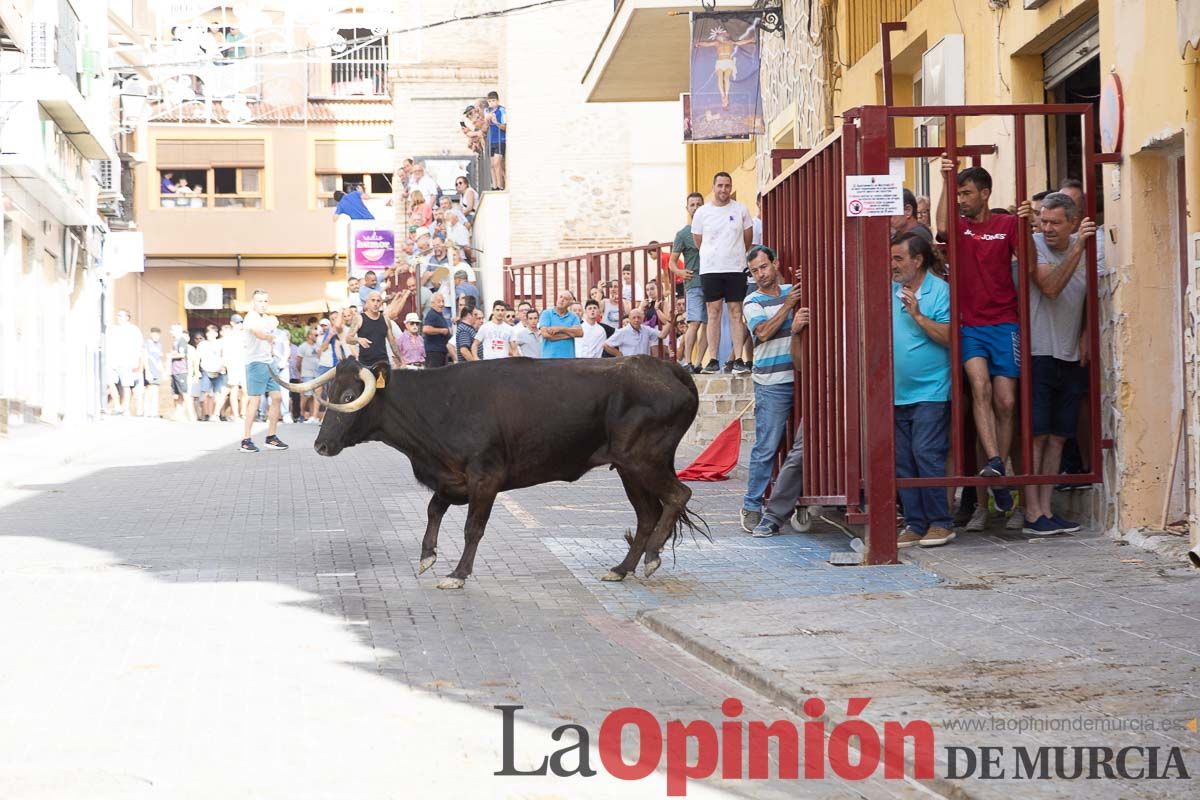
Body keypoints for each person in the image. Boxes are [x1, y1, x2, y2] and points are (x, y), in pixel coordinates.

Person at [936, 158, 1018, 515]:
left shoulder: (1008, 224)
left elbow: (1027, 263)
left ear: (985, 194)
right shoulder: (961, 228)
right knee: (980, 387)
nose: (961, 199)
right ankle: (997, 464)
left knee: (1006, 402)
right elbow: (940, 226)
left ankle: (998, 475)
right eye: (958, 193)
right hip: (970, 325)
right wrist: (944, 179)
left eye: (966, 193)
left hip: (1005, 323)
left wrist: (1028, 218)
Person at [1018, 192, 1095, 535]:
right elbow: (1049, 287)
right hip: (1038, 351)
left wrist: (1087, 332)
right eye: (1042, 220)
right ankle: (1032, 512)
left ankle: (1047, 509)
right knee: (1037, 435)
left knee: (1059, 437)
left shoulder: (1093, 246)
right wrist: (1078, 250)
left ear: (1073, 223)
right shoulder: (1032, 245)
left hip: (1069, 353)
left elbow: (1098, 292)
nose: (1045, 228)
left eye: (1054, 222)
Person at [887, 233, 956, 548]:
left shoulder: (940, 291)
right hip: (896, 392)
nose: (893, 265)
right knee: (903, 459)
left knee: (926, 453)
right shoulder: (889, 291)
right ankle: (915, 523)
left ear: (918, 260)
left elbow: (949, 336)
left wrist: (916, 315)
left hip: (931, 390)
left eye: (899, 258)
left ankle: (941, 522)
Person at [738, 246, 800, 532]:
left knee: (804, 445)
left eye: (764, 267)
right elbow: (761, 333)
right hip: (772, 382)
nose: (761, 274)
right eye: (755, 271)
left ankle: (797, 500)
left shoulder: (792, 290)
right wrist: (788, 306)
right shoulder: (753, 301)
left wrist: (805, 285)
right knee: (767, 446)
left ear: (775, 264)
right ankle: (751, 506)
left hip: (800, 379)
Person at [691, 172, 753, 375]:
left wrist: (734, 255)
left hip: (735, 268)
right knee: (713, 313)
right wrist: (713, 255)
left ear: (731, 187)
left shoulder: (741, 209)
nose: (723, 190)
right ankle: (713, 359)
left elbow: (747, 239)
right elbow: (698, 240)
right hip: (710, 269)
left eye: (727, 186)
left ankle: (739, 359)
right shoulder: (702, 212)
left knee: (736, 312)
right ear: (713, 187)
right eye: (720, 185)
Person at [238, 290, 288, 453]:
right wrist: (270, 337)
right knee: (255, 401)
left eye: (265, 301)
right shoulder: (250, 317)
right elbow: (258, 333)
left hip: (269, 362)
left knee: (277, 397)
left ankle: (271, 438)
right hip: (255, 363)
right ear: (253, 302)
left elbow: (272, 326)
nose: (263, 304)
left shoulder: (266, 318)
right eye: (260, 301)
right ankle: (246, 440)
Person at [670, 192, 707, 372]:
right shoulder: (683, 234)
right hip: (694, 283)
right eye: (692, 205)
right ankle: (688, 362)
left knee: (709, 323)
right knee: (694, 322)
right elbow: (671, 262)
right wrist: (680, 272)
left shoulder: (711, 228)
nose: (695, 207)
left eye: (699, 204)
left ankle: (699, 363)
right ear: (687, 208)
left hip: (713, 281)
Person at [693, 25, 756, 109]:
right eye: (723, 34)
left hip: (728, 62)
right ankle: (723, 95)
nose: (724, 34)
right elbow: (707, 44)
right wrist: (698, 44)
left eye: (725, 34)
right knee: (720, 78)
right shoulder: (717, 43)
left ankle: (725, 95)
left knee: (726, 78)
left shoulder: (730, 42)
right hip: (720, 62)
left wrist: (750, 40)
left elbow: (740, 42)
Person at [106, 309, 144, 415]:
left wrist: (137, 362)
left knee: (126, 385)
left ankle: (126, 407)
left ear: (127, 317)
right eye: (117, 315)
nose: (118, 317)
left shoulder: (134, 330)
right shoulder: (114, 329)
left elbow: (139, 347)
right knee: (111, 383)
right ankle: (117, 406)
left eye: (120, 316)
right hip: (113, 362)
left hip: (127, 362)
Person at [354, 290, 401, 370]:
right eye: (373, 300)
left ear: (381, 303)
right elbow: (348, 338)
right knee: (368, 382)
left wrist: (401, 360)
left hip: (382, 364)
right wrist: (358, 339)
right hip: (365, 365)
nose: (375, 304)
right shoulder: (359, 318)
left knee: (382, 382)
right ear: (367, 303)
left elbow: (392, 342)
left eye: (378, 301)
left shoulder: (385, 319)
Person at [538, 292, 582, 359]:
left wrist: (560, 329)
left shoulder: (574, 317)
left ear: (570, 304)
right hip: (549, 359)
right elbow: (546, 334)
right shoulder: (546, 313)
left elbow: (580, 333)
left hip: (568, 359)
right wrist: (570, 334)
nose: (562, 300)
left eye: (565, 299)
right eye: (560, 297)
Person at [196, 325, 227, 421]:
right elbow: (197, 358)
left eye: (212, 332)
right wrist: (196, 370)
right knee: (205, 393)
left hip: (218, 371)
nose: (210, 334)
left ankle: (216, 414)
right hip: (206, 370)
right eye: (208, 332)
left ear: (216, 334)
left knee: (218, 393)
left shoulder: (220, 344)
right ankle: (206, 414)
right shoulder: (202, 344)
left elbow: (224, 356)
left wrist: (223, 366)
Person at [168, 323, 194, 421]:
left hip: (181, 371)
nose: (171, 332)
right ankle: (179, 414)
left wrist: (171, 355)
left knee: (185, 393)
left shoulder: (181, 341)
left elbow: (182, 354)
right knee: (177, 394)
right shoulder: (175, 341)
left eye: (173, 330)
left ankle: (191, 415)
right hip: (174, 370)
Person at [221, 317, 245, 422]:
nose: (239, 324)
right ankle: (236, 416)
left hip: (244, 364)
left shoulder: (244, 335)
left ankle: (243, 413)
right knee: (234, 390)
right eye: (237, 323)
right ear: (232, 323)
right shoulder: (228, 337)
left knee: (246, 390)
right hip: (233, 365)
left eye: (241, 322)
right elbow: (225, 353)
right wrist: (225, 365)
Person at [296, 327, 320, 422]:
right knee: (306, 395)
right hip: (307, 373)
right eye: (315, 335)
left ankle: (311, 416)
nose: (317, 337)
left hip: (317, 373)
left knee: (314, 396)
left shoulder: (318, 346)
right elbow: (298, 362)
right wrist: (301, 374)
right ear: (310, 336)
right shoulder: (303, 346)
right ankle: (301, 414)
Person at [422, 293, 452, 368]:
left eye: (443, 301)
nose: (441, 304)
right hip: (434, 352)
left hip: (441, 351)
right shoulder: (432, 314)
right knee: (434, 376)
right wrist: (441, 330)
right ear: (432, 304)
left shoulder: (439, 314)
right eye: (439, 302)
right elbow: (426, 329)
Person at [485, 91, 507, 190]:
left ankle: (500, 185)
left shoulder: (502, 110)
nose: (491, 103)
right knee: (492, 165)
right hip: (491, 140)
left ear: (497, 101)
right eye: (489, 101)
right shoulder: (486, 111)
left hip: (500, 139)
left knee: (497, 163)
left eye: (493, 101)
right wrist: (487, 120)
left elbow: (504, 127)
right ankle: (494, 186)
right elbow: (485, 126)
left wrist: (496, 122)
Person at [142, 327, 165, 417]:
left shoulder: (159, 345)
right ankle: (146, 411)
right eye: (154, 334)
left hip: (156, 371)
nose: (156, 337)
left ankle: (154, 412)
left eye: (158, 335)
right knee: (149, 390)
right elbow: (145, 357)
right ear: (151, 334)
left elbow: (159, 360)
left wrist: (162, 371)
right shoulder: (147, 344)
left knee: (155, 390)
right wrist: (147, 371)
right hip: (149, 369)